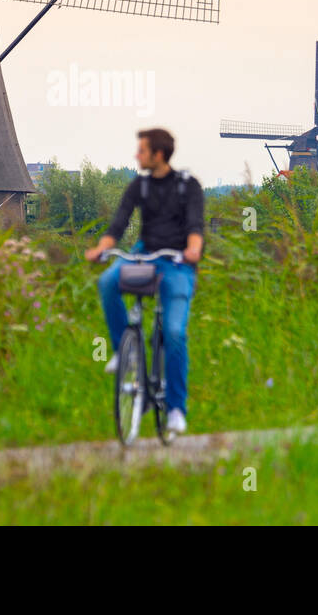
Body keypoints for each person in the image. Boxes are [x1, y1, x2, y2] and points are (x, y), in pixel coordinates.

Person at [85, 127, 204, 436]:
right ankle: (127, 351)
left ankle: (176, 409)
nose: (137, 156)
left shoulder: (188, 187)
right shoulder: (140, 186)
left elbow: (195, 224)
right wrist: (103, 247)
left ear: (158, 154)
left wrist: (193, 250)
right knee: (108, 282)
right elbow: (119, 222)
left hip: (177, 261)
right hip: (146, 253)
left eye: (142, 150)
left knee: (175, 333)